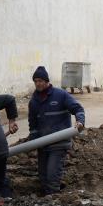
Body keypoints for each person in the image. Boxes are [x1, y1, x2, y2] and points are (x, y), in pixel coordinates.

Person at [25, 66, 85, 195]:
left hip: (59, 142)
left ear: (47, 81)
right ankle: (47, 198)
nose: (38, 83)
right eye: (35, 81)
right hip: (42, 144)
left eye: (40, 80)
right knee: (43, 176)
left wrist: (80, 121)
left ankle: (53, 202)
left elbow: (78, 109)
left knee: (52, 175)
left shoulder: (61, 95)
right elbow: (33, 124)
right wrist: (33, 140)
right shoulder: (34, 102)